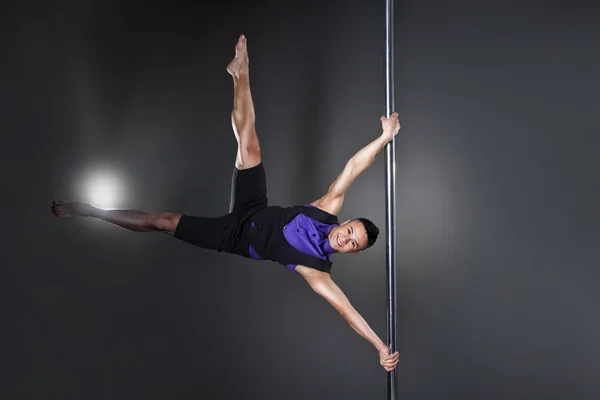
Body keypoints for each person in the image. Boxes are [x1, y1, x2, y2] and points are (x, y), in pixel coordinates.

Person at [51, 34, 401, 372]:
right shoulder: (327, 208)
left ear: (352, 252)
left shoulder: (317, 270)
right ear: (346, 221)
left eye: (353, 244)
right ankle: (241, 72)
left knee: (160, 222)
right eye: (351, 231)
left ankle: (90, 211)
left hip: (233, 238)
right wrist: (383, 138)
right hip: (255, 207)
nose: (347, 239)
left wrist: (380, 347)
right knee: (248, 145)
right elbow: (353, 167)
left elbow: (347, 311)